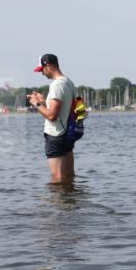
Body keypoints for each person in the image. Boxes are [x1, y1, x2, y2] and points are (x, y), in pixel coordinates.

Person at [28, 54, 77, 184]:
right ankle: (70, 202)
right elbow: (65, 108)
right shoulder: (69, 82)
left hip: (56, 135)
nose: (42, 74)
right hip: (68, 134)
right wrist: (44, 101)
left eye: (42, 70)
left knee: (57, 179)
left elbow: (52, 116)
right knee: (69, 176)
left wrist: (36, 103)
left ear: (48, 66)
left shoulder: (56, 85)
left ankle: (58, 204)